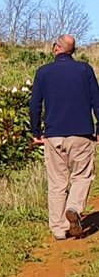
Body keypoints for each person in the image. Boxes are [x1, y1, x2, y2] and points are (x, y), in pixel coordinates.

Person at [30, 34, 99, 240]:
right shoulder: (84, 70)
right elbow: (97, 101)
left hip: (53, 135)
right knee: (82, 175)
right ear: (73, 51)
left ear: (55, 48)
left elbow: (35, 105)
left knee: (57, 182)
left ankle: (59, 229)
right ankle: (74, 208)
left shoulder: (43, 72)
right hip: (82, 134)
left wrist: (36, 132)